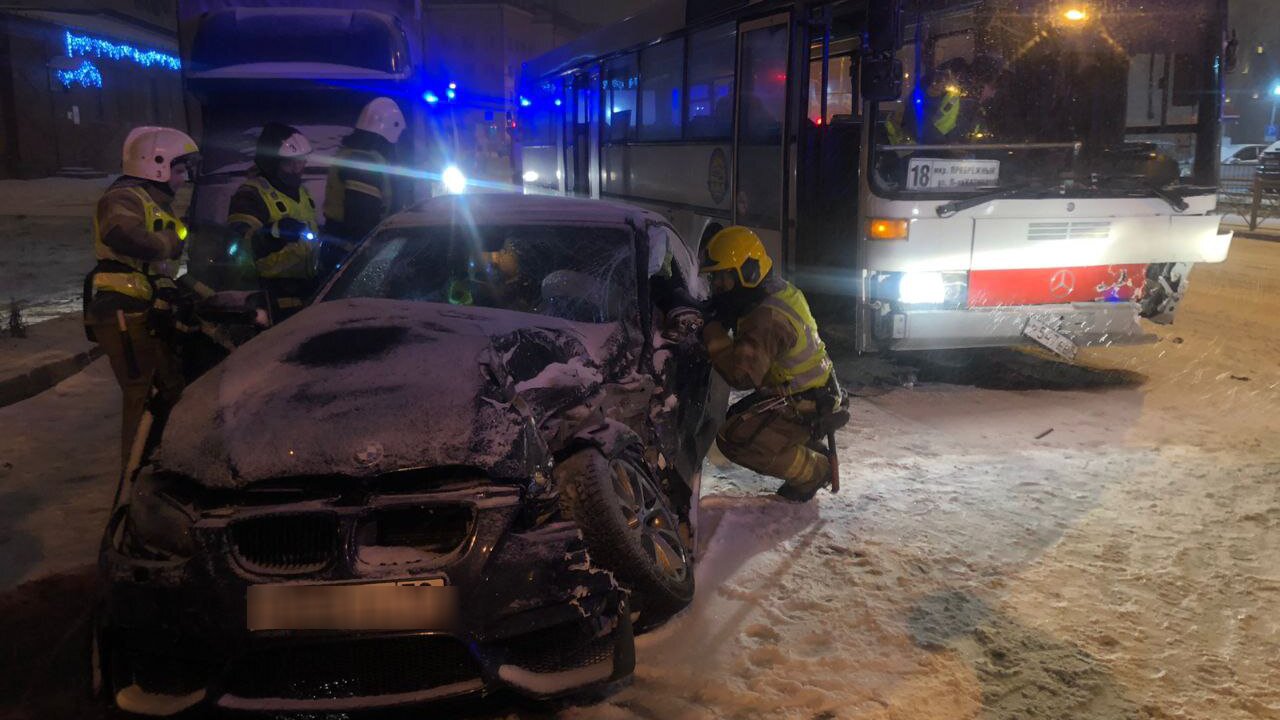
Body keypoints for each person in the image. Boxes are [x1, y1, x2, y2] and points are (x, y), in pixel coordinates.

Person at [699, 226, 847, 502]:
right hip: (813, 388)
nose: (717, 287)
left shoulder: (766, 317)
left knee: (735, 439)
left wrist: (712, 332)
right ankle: (804, 447)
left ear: (746, 273)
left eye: (722, 279)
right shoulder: (772, 291)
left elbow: (740, 374)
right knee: (741, 416)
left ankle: (815, 471)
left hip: (805, 399)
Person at [84, 126, 200, 469]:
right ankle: (135, 478)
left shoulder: (156, 203)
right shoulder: (124, 198)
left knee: (166, 389)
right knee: (142, 393)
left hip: (140, 308)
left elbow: (162, 267)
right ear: (156, 165)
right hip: (122, 310)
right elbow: (121, 233)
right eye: (179, 170)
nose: (183, 178)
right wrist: (167, 241)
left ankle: (159, 466)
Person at [227, 122, 320, 323]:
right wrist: (273, 232)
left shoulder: (302, 193)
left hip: (306, 292)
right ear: (271, 162)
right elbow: (238, 249)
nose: (298, 168)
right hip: (269, 297)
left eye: (301, 160)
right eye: (290, 163)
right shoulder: (249, 196)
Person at [320, 97, 405, 274]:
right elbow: (363, 218)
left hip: (339, 250)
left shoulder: (352, 155)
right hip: (351, 257)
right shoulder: (364, 162)